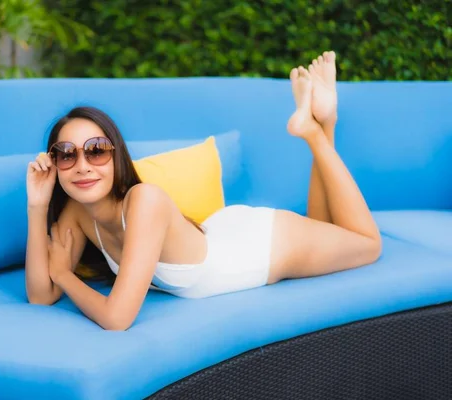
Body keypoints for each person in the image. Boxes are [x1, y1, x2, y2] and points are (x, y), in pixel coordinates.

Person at [25, 51, 382, 331]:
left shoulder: (144, 199)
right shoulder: (77, 209)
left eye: (97, 150)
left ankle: (316, 130)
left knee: (366, 243)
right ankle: (323, 120)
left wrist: (64, 275)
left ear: (116, 155)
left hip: (260, 248)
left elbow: (117, 318)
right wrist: (37, 206)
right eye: (67, 154)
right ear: (54, 164)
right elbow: (41, 297)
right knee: (323, 226)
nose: (83, 165)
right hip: (223, 233)